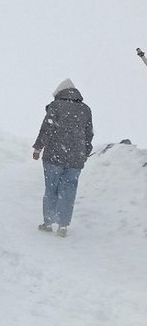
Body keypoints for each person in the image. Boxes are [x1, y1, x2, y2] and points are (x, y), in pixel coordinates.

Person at [32, 78, 93, 237]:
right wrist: (84, 153)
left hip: (54, 156)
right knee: (69, 191)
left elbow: (46, 128)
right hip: (75, 160)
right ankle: (63, 226)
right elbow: (89, 135)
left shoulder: (56, 106)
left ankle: (48, 222)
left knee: (51, 188)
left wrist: (38, 148)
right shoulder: (85, 109)